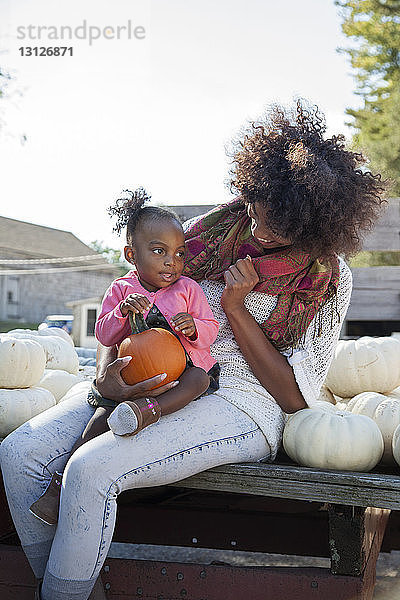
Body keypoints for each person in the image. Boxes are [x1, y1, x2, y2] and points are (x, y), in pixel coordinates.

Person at [0, 101, 387, 600]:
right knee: (19, 454)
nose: (259, 233)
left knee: (91, 469)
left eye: (278, 229)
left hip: (245, 404)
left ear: (316, 225)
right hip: (154, 375)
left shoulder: (328, 280)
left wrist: (235, 306)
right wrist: (105, 378)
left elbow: (295, 399)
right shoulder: (213, 232)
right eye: (256, 213)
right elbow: (131, 298)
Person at [29, 189, 220, 526]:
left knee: (200, 380)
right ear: (132, 254)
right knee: (103, 413)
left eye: (178, 254)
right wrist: (121, 313)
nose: (170, 262)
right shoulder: (120, 289)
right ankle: (58, 487)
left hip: (180, 367)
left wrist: (193, 328)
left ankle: (149, 411)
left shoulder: (188, 288)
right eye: (159, 252)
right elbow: (104, 334)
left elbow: (211, 327)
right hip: (133, 373)